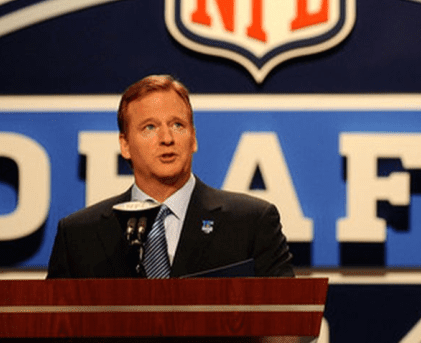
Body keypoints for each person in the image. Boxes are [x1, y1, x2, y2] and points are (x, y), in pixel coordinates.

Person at [47, 74, 294, 278]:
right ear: (125, 145)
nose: (167, 139)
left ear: (193, 138)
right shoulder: (80, 235)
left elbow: (289, 324)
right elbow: (53, 329)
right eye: (150, 128)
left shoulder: (251, 222)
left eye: (178, 125)